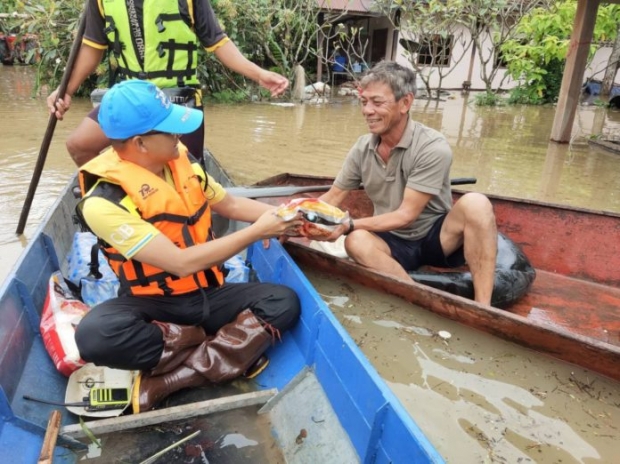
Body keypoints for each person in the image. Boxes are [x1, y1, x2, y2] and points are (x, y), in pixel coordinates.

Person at [74, 79, 301, 414]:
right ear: (140, 143)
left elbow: (232, 207)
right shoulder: (103, 201)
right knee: (94, 337)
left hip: (208, 293)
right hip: (153, 304)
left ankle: (170, 378)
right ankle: (222, 351)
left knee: (283, 302)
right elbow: (179, 263)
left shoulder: (182, 161)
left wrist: (291, 216)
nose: (178, 135)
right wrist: (256, 233)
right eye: (168, 130)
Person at [318, 61, 498, 305]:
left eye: (377, 102)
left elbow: (406, 215)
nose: (367, 110)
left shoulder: (432, 146)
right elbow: (332, 197)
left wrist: (350, 224)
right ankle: (418, 299)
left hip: (435, 237)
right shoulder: (362, 148)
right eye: (364, 102)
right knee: (356, 241)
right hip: (391, 240)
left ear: (405, 103)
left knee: (477, 203)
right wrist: (290, 222)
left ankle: (483, 307)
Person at [47, 0, 289, 167]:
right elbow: (92, 47)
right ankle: (119, 205)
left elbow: (217, 42)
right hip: (132, 96)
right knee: (79, 145)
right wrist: (66, 89)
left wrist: (259, 74)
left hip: (177, 97)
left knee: (187, 175)